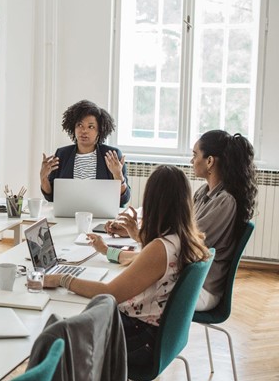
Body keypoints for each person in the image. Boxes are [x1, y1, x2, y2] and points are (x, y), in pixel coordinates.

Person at [43, 165, 210, 367]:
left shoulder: (159, 248)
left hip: (138, 339)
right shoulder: (186, 239)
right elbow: (142, 262)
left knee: (56, 331)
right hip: (156, 335)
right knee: (71, 323)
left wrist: (62, 279)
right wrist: (108, 250)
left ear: (153, 201)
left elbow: (109, 292)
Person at [106, 130, 257, 311]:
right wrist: (135, 232)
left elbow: (183, 245)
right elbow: (178, 231)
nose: (191, 161)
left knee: (124, 289)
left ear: (209, 161)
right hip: (186, 273)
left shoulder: (225, 201)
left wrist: (140, 235)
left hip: (200, 287)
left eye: (195, 155)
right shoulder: (203, 192)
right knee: (128, 279)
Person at [40, 99, 131, 206]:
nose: (84, 131)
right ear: (73, 128)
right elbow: (51, 197)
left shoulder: (112, 155)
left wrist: (118, 175)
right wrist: (43, 178)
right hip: (69, 214)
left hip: (101, 216)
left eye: (91, 127)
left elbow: (124, 200)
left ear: (99, 131)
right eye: (80, 125)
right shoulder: (62, 154)